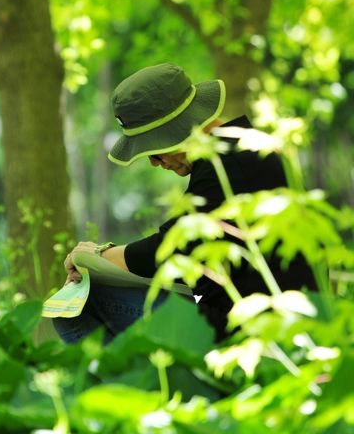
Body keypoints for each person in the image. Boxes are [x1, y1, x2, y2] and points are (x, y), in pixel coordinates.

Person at [54, 63, 317, 343]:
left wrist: (95, 256)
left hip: (247, 329)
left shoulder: (229, 161)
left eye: (155, 150)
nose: (155, 163)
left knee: (71, 309)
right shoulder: (242, 148)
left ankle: (144, 383)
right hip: (253, 316)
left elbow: (173, 250)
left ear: (178, 128)